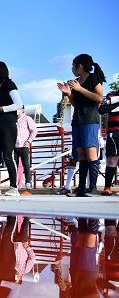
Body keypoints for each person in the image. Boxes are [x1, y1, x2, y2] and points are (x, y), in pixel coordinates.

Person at [58, 54, 106, 197]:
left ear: (80, 66)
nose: (72, 69)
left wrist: (79, 89)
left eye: (73, 66)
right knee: (81, 155)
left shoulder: (93, 78)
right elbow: (75, 103)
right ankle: (81, 188)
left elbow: (99, 98)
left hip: (90, 120)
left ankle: (92, 188)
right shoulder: (76, 82)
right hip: (77, 120)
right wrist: (69, 93)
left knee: (91, 154)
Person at [0, 61, 23, 196]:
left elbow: (19, 104)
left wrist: (2, 109)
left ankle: (14, 187)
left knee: (8, 155)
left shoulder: (10, 85)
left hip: (8, 124)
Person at [99, 90, 119, 195]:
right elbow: (101, 109)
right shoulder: (111, 95)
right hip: (114, 132)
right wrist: (116, 103)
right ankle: (107, 187)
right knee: (112, 159)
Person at [15, 106, 38, 190]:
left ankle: (28, 182)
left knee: (26, 164)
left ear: (23, 110)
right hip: (15, 145)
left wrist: (29, 141)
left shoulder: (27, 118)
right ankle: (16, 183)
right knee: (15, 165)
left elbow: (34, 130)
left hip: (24, 145)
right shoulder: (13, 120)